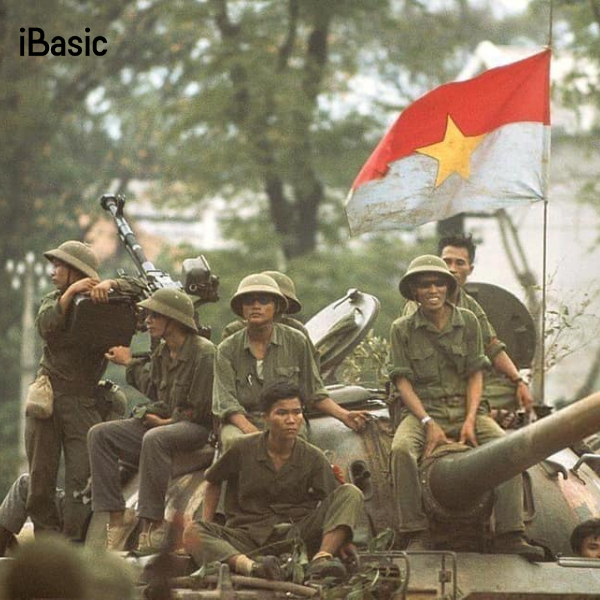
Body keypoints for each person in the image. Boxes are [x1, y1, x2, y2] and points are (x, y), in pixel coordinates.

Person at [389, 255, 544, 559]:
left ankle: (510, 533)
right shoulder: (402, 329)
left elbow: (476, 373)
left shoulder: (469, 321)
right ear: (415, 292)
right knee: (401, 450)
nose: (432, 290)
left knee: (507, 448)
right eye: (424, 285)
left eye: (438, 283)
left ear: (448, 288)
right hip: (423, 410)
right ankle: (415, 532)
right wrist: (427, 422)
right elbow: (402, 382)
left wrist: (471, 419)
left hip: (466, 408)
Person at [183, 380, 364, 582]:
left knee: (350, 492)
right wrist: (209, 526)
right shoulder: (242, 448)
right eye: (282, 413)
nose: (291, 420)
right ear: (266, 418)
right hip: (248, 537)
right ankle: (252, 567)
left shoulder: (313, 457)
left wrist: (341, 540)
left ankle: (321, 561)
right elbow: (213, 481)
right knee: (193, 531)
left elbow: (335, 500)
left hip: (297, 535)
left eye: (297, 412)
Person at [88, 288, 215, 553]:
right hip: (167, 422)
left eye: (155, 315)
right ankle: (117, 517)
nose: (148, 321)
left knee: (155, 438)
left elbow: (202, 410)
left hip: (197, 429)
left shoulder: (204, 353)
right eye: (148, 315)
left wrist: (164, 424)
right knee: (99, 434)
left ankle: (153, 524)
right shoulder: (162, 352)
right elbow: (155, 391)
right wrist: (131, 368)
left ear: (174, 320)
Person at [26, 240, 130, 542]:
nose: (53, 271)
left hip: (82, 400)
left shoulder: (105, 302)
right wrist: (71, 293)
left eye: (60, 266)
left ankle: (75, 544)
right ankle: (46, 543)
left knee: (82, 479)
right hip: (47, 399)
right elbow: (45, 326)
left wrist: (111, 284)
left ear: (77, 271)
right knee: (40, 478)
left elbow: (140, 291)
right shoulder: (54, 300)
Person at [213, 273, 369, 451]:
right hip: (243, 420)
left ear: (276, 306)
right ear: (242, 308)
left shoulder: (296, 341)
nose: (256, 306)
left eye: (263, 300)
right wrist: (253, 433)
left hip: (286, 418)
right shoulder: (227, 349)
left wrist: (344, 415)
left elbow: (313, 391)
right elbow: (226, 403)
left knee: (295, 448)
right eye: (248, 301)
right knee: (237, 445)